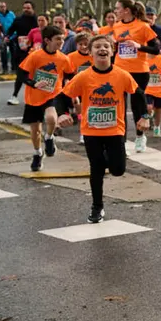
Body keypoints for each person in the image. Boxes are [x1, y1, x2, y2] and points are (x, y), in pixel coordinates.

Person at [60, 35, 141, 223]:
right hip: (91, 131)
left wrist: (143, 117)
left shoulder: (121, 75)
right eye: (97, 46)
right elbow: (64, 95)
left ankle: (106, 160)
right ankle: (97, 207)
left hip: (115, 130)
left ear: (112, 52)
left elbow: (138, 94)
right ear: (90, 52)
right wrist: (63, 112)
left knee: (118, 169)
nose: (102, 49)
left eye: (106, 46)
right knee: (95, 169)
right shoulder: (83, 76)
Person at [19, 25, 74, 171]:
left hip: (52, 94)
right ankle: (38, 153)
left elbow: (70, 74)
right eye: (58, 39)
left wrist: (68, 82)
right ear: (47, 40)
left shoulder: (63, 58)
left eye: (62, 39)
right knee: (35, 130)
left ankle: (49, 137)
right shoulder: (35, 56)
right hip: (34, 96)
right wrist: (34, 83)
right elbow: (21, 75)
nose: (61, 42)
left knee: (51, 119)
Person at [109, 0, 161, 152]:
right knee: (120, 106)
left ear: (126, 10)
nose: (115, 11)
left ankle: (140, 136)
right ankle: (122, 141)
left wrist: (139, 46)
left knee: (137, 105)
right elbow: (117, 49)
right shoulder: (117, 26)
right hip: (120, 71)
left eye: (117, 8)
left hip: (139, 71)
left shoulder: (143, 26)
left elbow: (156, 48)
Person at [7, 1, 40, 104]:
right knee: (20, 73)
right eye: (24, 8)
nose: (26, 10)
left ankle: (36, 93)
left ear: (33, 9)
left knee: (34, 74)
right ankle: (15, 95)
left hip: (35, 52)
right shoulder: (18, 20)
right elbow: (10, 31)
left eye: (28, 8)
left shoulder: (37, 20)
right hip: (21, 50)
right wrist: (8, 37)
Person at [0, 1, 15, 74]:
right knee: (4, 54)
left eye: (4, 6)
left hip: (12, 36)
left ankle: (14, 68)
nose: (2, 8)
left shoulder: (11, 14)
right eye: (1, 7)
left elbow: (15, 23)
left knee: (14, 52)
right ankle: (5, 69)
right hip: (2, 36)